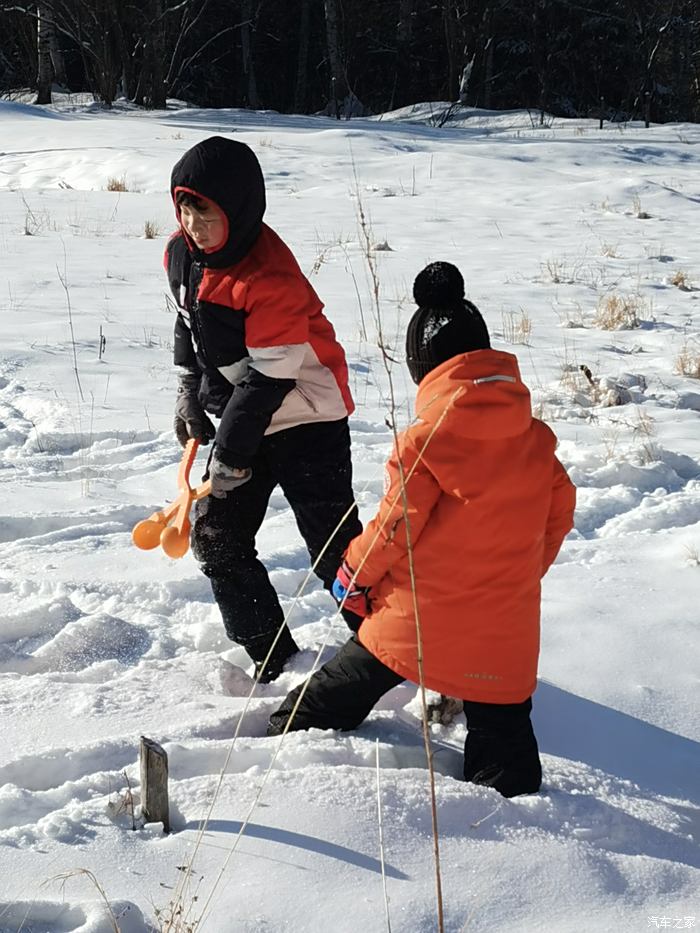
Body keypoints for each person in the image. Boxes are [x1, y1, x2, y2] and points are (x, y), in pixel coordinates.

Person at [268, 261, 576, 798]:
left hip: (416, 619)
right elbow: (558, 514)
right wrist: (517, 572)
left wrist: (353, 575)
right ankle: (515, 818)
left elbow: (393, 526)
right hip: (504, 631)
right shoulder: (536, 440)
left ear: (425, 369)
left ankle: (284, 733)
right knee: (506, 746)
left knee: (342, 688)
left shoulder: (427, 439)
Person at [165, 136, 362, 681]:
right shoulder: (182, 254)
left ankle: (398, 651)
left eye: (206, 212)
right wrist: (188, 387)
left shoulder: (270, 276)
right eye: (185, 208)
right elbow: (189, 322)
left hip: (306, 417)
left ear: (240, 209)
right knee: (217, 538)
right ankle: (275, 662)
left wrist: (229, 451)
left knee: (336, 550)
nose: (193, 223)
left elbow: (270, 378)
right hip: (245, 413)